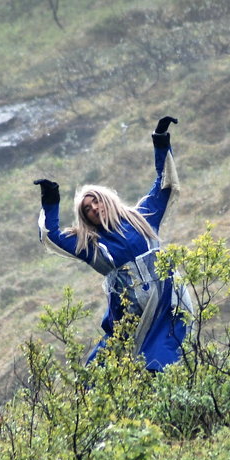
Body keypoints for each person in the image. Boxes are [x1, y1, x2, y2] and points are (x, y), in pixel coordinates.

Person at [34, 115, 189, 371]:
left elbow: (165, 182)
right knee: (96, 373)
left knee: (158, 366)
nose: (94, 207)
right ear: (85, 217)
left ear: (107, 199)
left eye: (96, 200)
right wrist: (50, 199)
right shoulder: (90, 244)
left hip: (165, 309)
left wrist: (160, 139)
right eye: (87, 208)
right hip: (126, 318)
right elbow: (51, 236)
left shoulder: (143, 217)